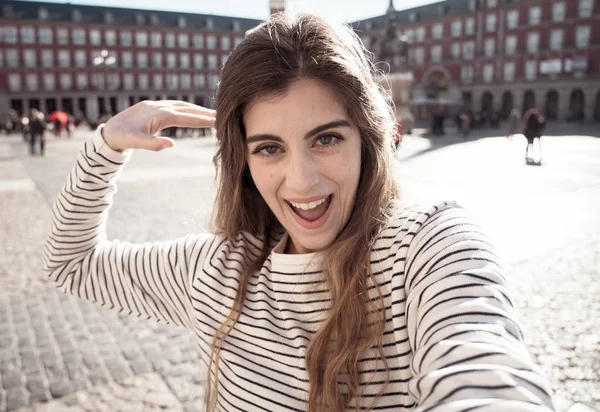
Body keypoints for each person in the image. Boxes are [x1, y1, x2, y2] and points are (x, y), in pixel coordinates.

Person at [43, 14, 555, 412]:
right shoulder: (214, 272)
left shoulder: (426, 247)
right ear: (243, 160)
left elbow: (487, 372)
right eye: (269, 148)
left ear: (368, 141)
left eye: (326, 138)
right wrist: (105, 147)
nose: (302, 180)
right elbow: (71, 264)